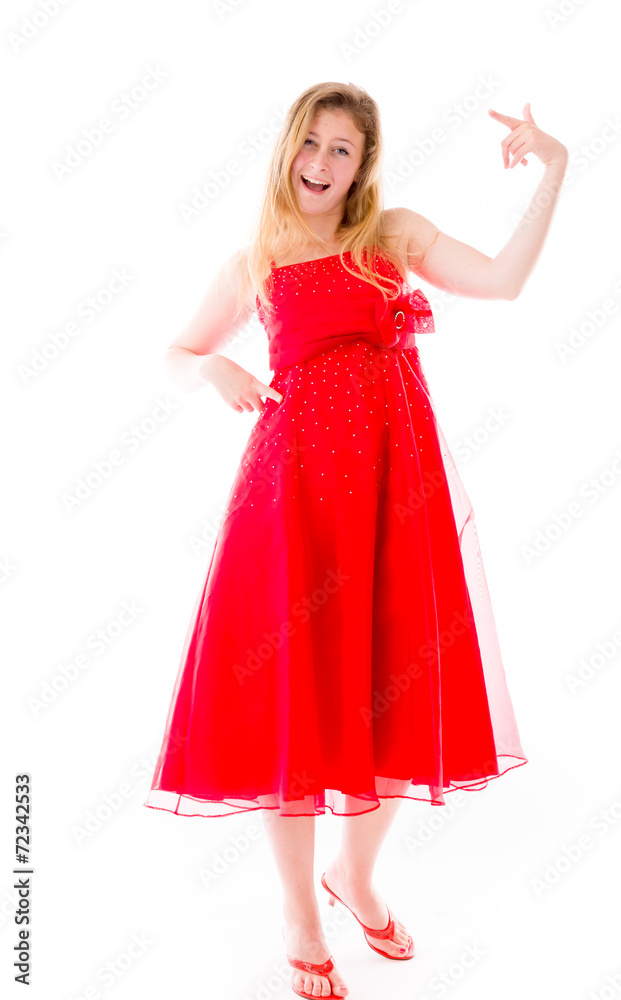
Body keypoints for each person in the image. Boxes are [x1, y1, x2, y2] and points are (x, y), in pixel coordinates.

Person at [144, 82, 568, 999]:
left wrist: (554, 167)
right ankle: (300, 909)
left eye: (343, 150)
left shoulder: (391, 236)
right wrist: (212, 366)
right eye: (312, 144)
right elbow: (172, 356)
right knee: (297, 694)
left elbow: (503, 280)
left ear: (363, 164)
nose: (322, 166)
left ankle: (357, 876)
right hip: (290, 497)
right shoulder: (256, 258)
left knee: (393, 684)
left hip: (391, 497)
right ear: (287, 148)